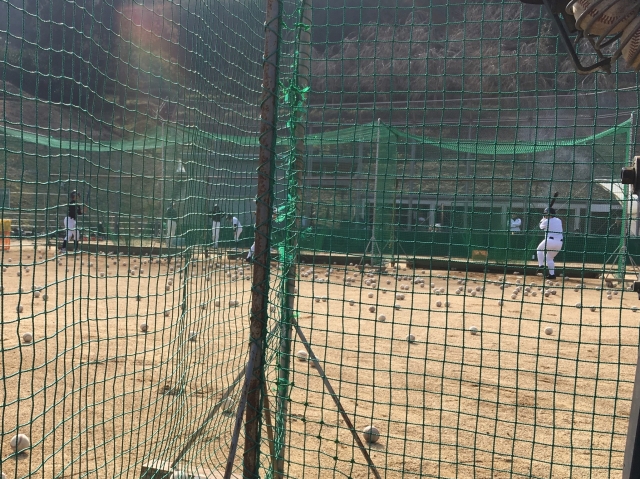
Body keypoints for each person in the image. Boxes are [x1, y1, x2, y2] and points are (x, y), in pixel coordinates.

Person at [537, 207, 563, 280]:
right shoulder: (559, 220)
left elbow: (541, 227)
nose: (545, 215)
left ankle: (541, 265)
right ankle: (552, 274)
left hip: (550, 241)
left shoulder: (546, 221)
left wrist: (542, 219)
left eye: (547, 214)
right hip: (559, 243)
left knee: (539, 249)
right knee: (549, 258)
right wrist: (545, 218)